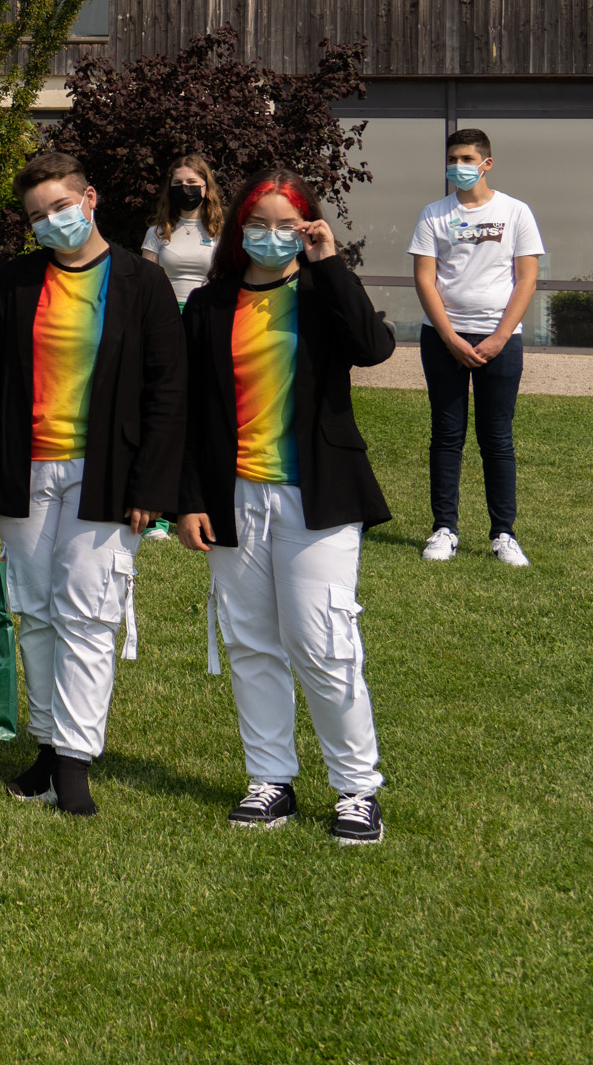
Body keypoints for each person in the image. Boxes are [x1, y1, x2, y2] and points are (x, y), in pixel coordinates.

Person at [0, 150, 185, 818]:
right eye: (37, 216)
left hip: (106, 474)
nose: (50, 222)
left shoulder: (143, 282)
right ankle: (48, 748)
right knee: (34, 612)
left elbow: (168, 392)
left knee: (87, 615)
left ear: (90, 200)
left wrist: (152, 488)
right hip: (22, 470)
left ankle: (75, 764)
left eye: (60, 206)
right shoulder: (16, 282)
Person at [175, 171, 395, 846]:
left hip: (316, 497)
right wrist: (188, 501)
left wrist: (330, 263)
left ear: (306, 228)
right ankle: (270, 779)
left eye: (285, 224)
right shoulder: (209, 304)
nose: (270, 236)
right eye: (258, 223)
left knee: (323, 643)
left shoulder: (323, 291)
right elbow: (189, 412)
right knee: (250, 643)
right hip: (234, 496)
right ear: (238, 227)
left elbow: (374, 347)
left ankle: (357, 789)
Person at [408, 130, 543, 568]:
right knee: (447, 435)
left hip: (501, 340)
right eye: (452, 158)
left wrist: (500, 336)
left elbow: (526, 279)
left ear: (487, 163)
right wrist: (450, 337)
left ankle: (504, 534)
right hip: (443, 339)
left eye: (467, 158)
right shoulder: (433, 214)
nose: (458, 166)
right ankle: (444, 529)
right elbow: (425, 279)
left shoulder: (516, 212)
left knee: (497, 438)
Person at [141, 154, 227, 307]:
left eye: (192, 182)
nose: (185, 187)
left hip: (206, 310)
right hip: (166, 311)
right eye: (178, 183)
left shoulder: (221, 233)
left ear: (206, 187)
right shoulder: (157, 232)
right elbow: (147, 283)